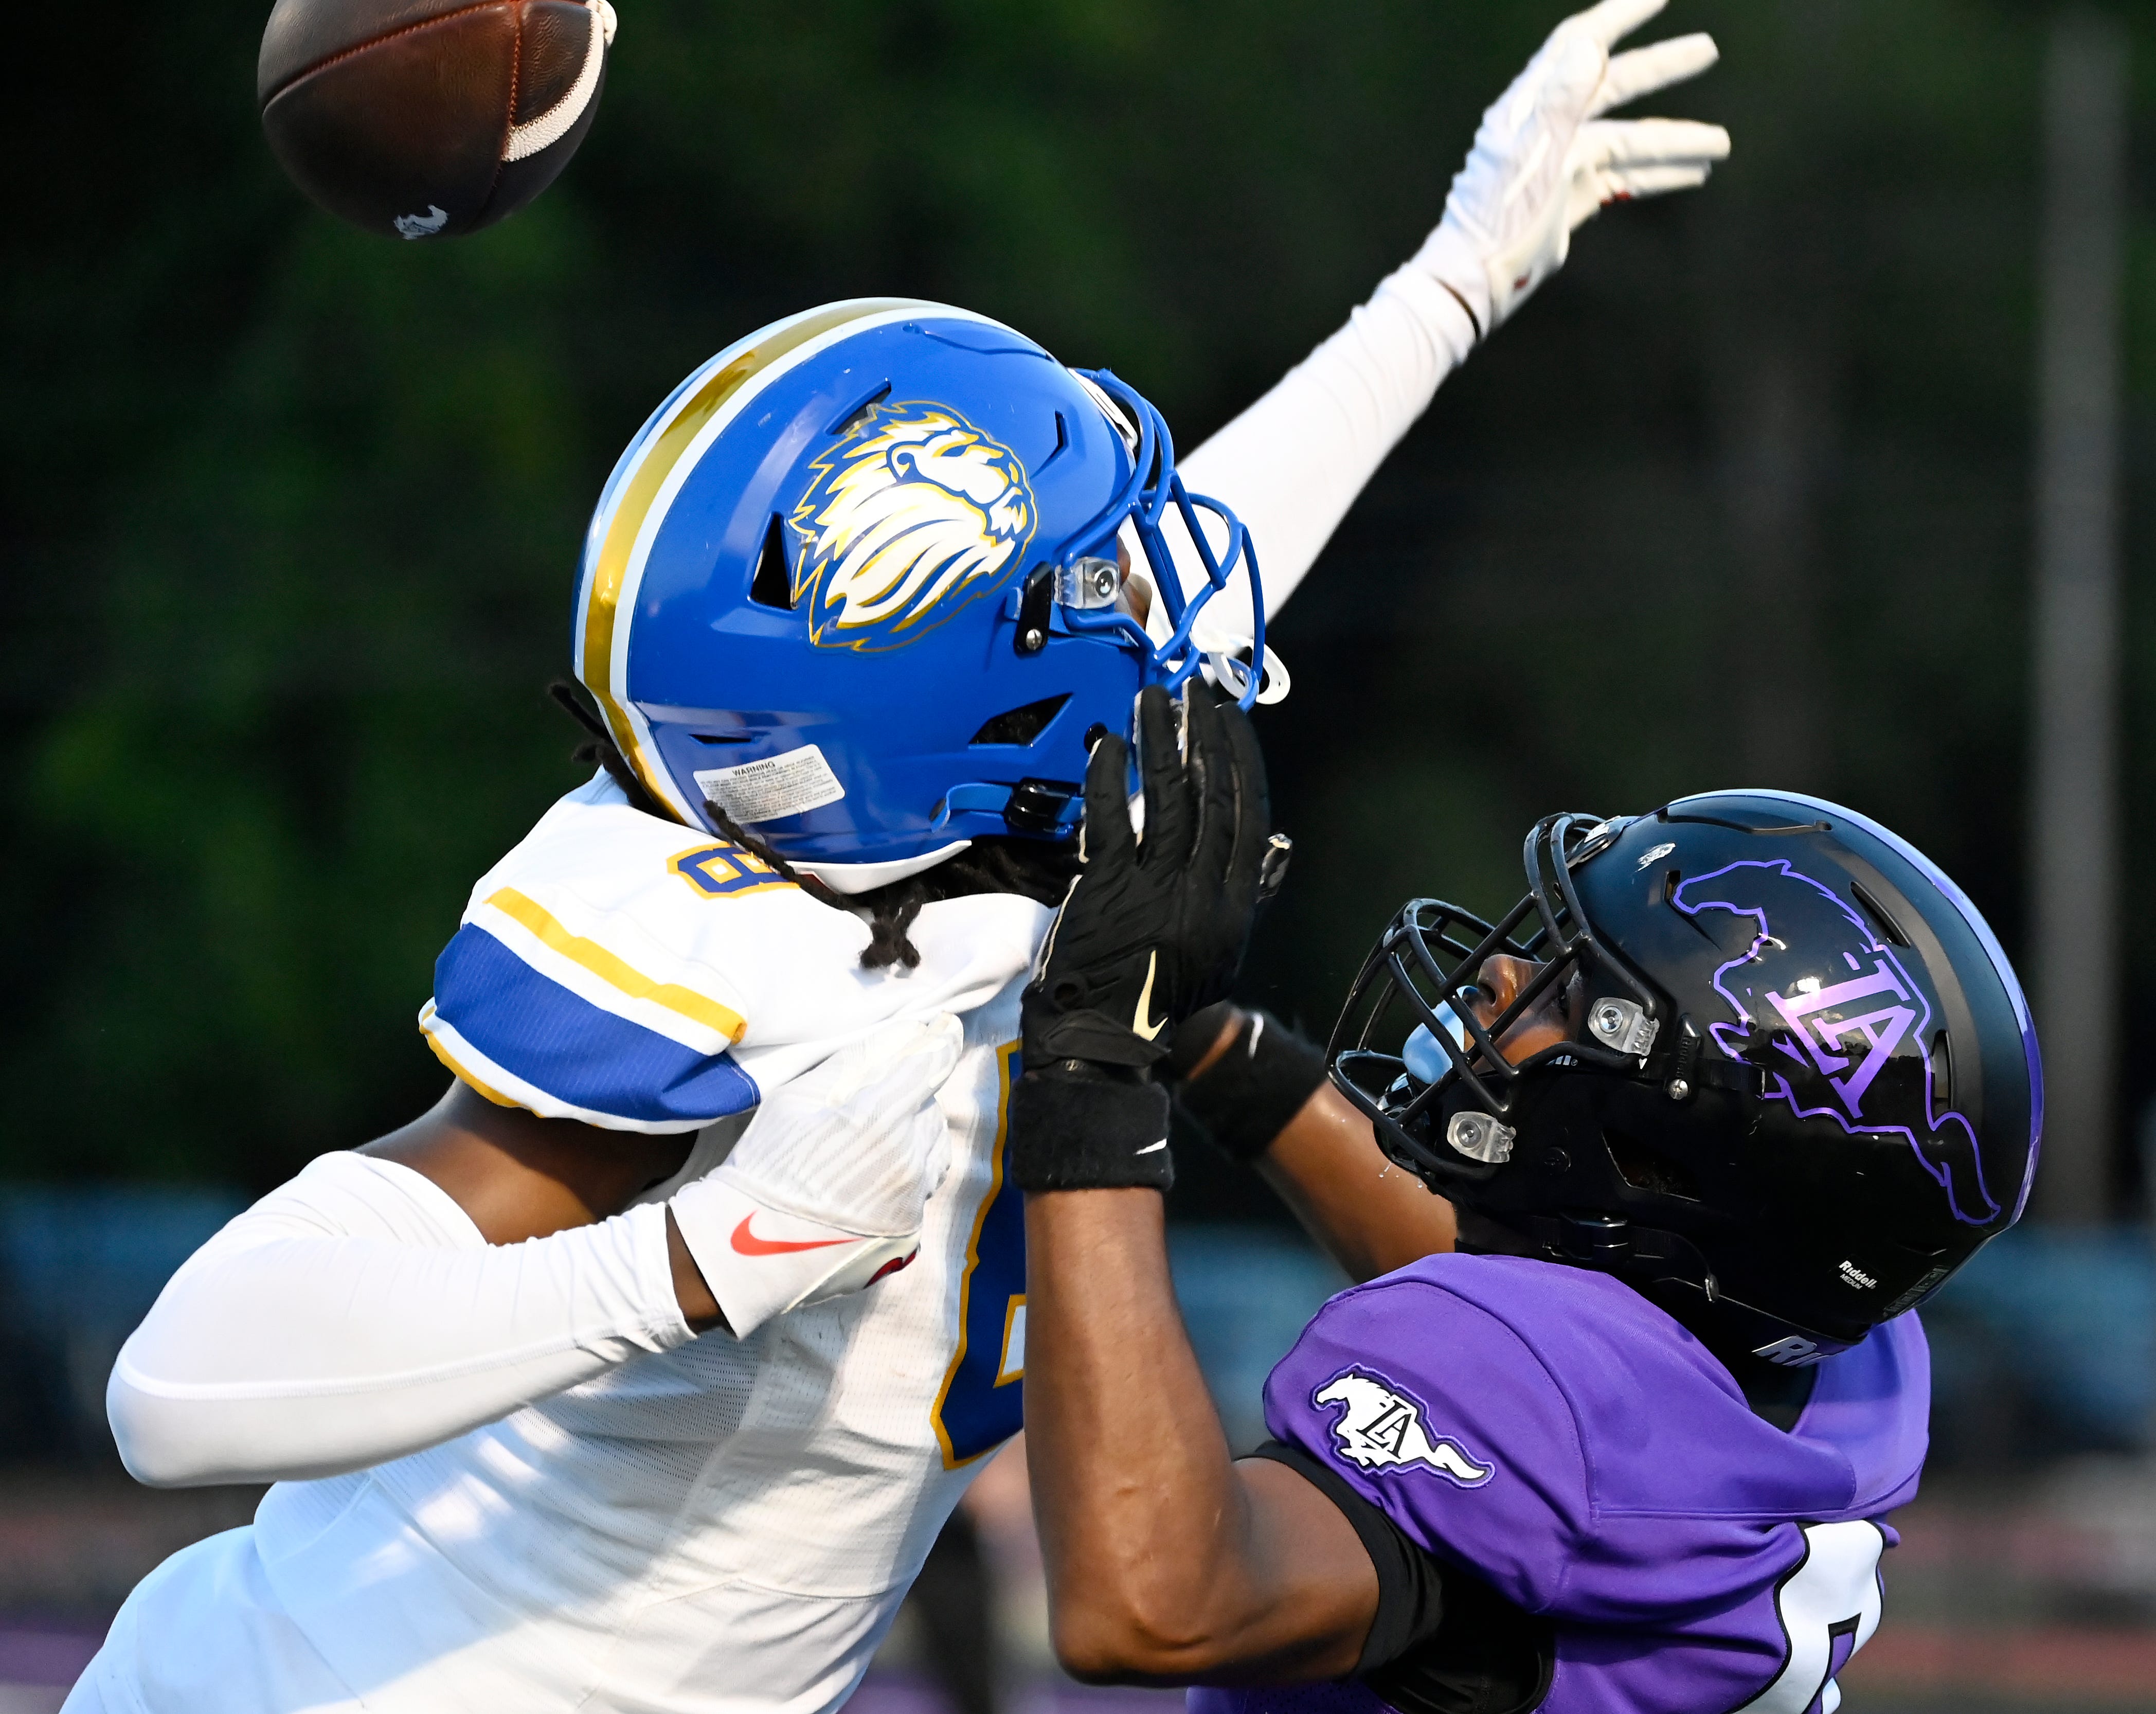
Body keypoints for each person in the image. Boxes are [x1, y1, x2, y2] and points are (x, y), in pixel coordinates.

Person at [69, 5, 1729, 1710]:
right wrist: (699, 1257)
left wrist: (1460, 274)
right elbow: (181, 1385)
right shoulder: (722, 954)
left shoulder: (944, 820)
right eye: (1100, 582)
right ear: (971, 686)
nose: (1155, 607)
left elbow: (1194, 551)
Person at [1008, 728, 2041, 1713]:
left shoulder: (1546, 1411)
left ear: (1667, 1150)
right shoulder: (1849, 1361)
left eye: (1577, 997)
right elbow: (1567, 1329)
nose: (1503, 976)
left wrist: (1094, 1061)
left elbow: (1154, 1601)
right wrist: (1212, 1043)